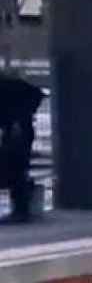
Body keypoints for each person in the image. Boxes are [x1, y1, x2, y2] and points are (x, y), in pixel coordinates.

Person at [0, 74, 44, 223]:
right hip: (13, 130)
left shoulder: (8, 85)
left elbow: (36, 94)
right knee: (16, 168)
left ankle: (21, 210)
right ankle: (21, 209)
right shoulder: (9, 84)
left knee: (15, 168)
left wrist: (21, 117)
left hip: (19, 131)